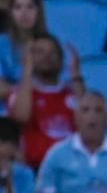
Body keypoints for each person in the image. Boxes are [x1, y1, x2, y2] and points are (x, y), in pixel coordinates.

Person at [8, 34, 78, 171]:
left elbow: (89, 123)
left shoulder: (72, 92)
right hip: (35, 168)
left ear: (61, 59)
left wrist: (76, 75)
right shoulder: (20, 92)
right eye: (40, 52)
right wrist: (27, 70)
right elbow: (21, 116)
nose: (47, 56)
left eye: (52, 52)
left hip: (72, 168)